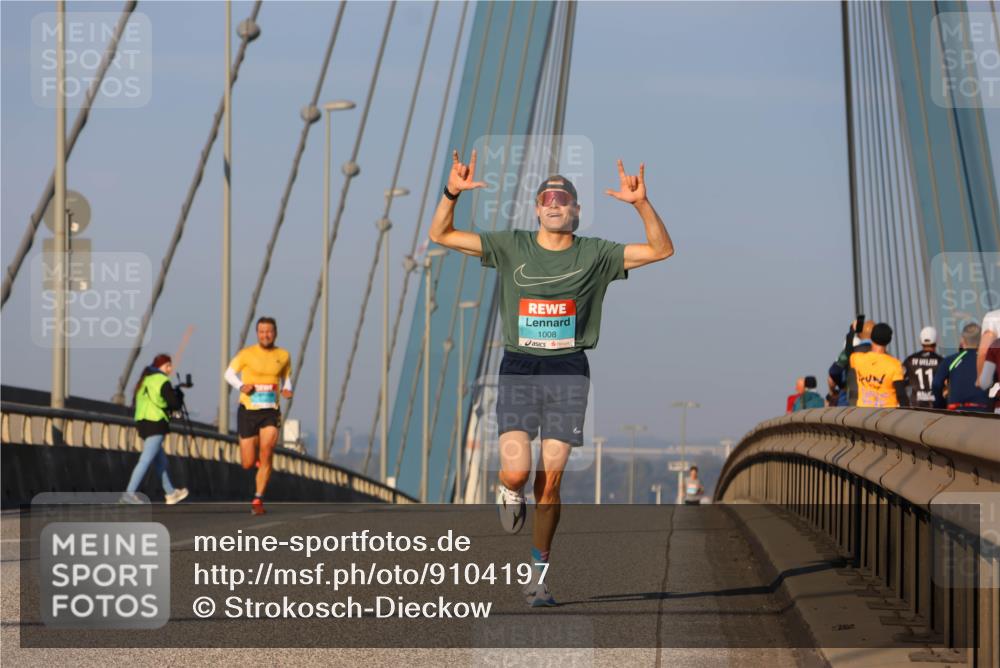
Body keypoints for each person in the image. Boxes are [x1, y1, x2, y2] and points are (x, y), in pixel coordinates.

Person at [429, 150, 674, 606]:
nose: (555, 203)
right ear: (538, 209)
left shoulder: (596, 254)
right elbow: (439, 233)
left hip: (568, 370)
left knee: (551, 481)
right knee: (518, 471)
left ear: (576, 211)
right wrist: (452, 193)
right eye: (547, 198)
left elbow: (662, 250)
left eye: (564, 198)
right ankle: (508, 490)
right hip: (520, 368)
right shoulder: (511, 245)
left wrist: (641, 204)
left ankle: (538, 574)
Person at [224, 316, 293, 515]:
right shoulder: (246, 354)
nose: (265, 335)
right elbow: (228, 374)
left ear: (275, 333)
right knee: (247, 462)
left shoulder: (284, 355)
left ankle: (258, 499)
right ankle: (255, 461)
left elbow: (286, 378)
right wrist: (241, 386)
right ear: (257, 334)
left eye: (269, 331)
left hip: (271, 411)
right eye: (262, 331)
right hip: (248, 411)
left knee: (268, 450)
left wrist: (287, 390)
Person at [122, 354, 189, 505]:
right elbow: (173, 403)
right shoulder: (162, 380)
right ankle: (129, 493)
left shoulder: (144, 380)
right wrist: (179, 395)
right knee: (145, 460)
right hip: (156, 422)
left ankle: (171, 493)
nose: (170, 369)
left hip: (143, 422)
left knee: (160, 460)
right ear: (161, 367)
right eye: (168, 366)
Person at [933, 322, 990, 412]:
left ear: (962, 340)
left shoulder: (950, 360)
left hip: (956, 411)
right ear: (981, 341)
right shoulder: (987, 361)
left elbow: (936, 384)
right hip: (983, 411)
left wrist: (939, 405)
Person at [849, 323, 906, 408]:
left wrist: (852, 331)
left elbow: (847, 351)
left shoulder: (858, 359)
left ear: (871, 337)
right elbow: (901, 394)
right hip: (887, 414)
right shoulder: (895, 364)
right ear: (889, 340)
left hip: (863, 414)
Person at [829, 319, 875, 406]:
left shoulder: (851, 354)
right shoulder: (884, 355)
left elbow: (834, 371)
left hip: (852, 401)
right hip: (877, 402)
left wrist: (843, 385)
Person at [901, 326, 943, 408]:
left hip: (916, 406)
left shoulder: (910, 360)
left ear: (921, 340)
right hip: (937, 407)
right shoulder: (941, 361)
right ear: (936, 340)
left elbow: (900, 381)